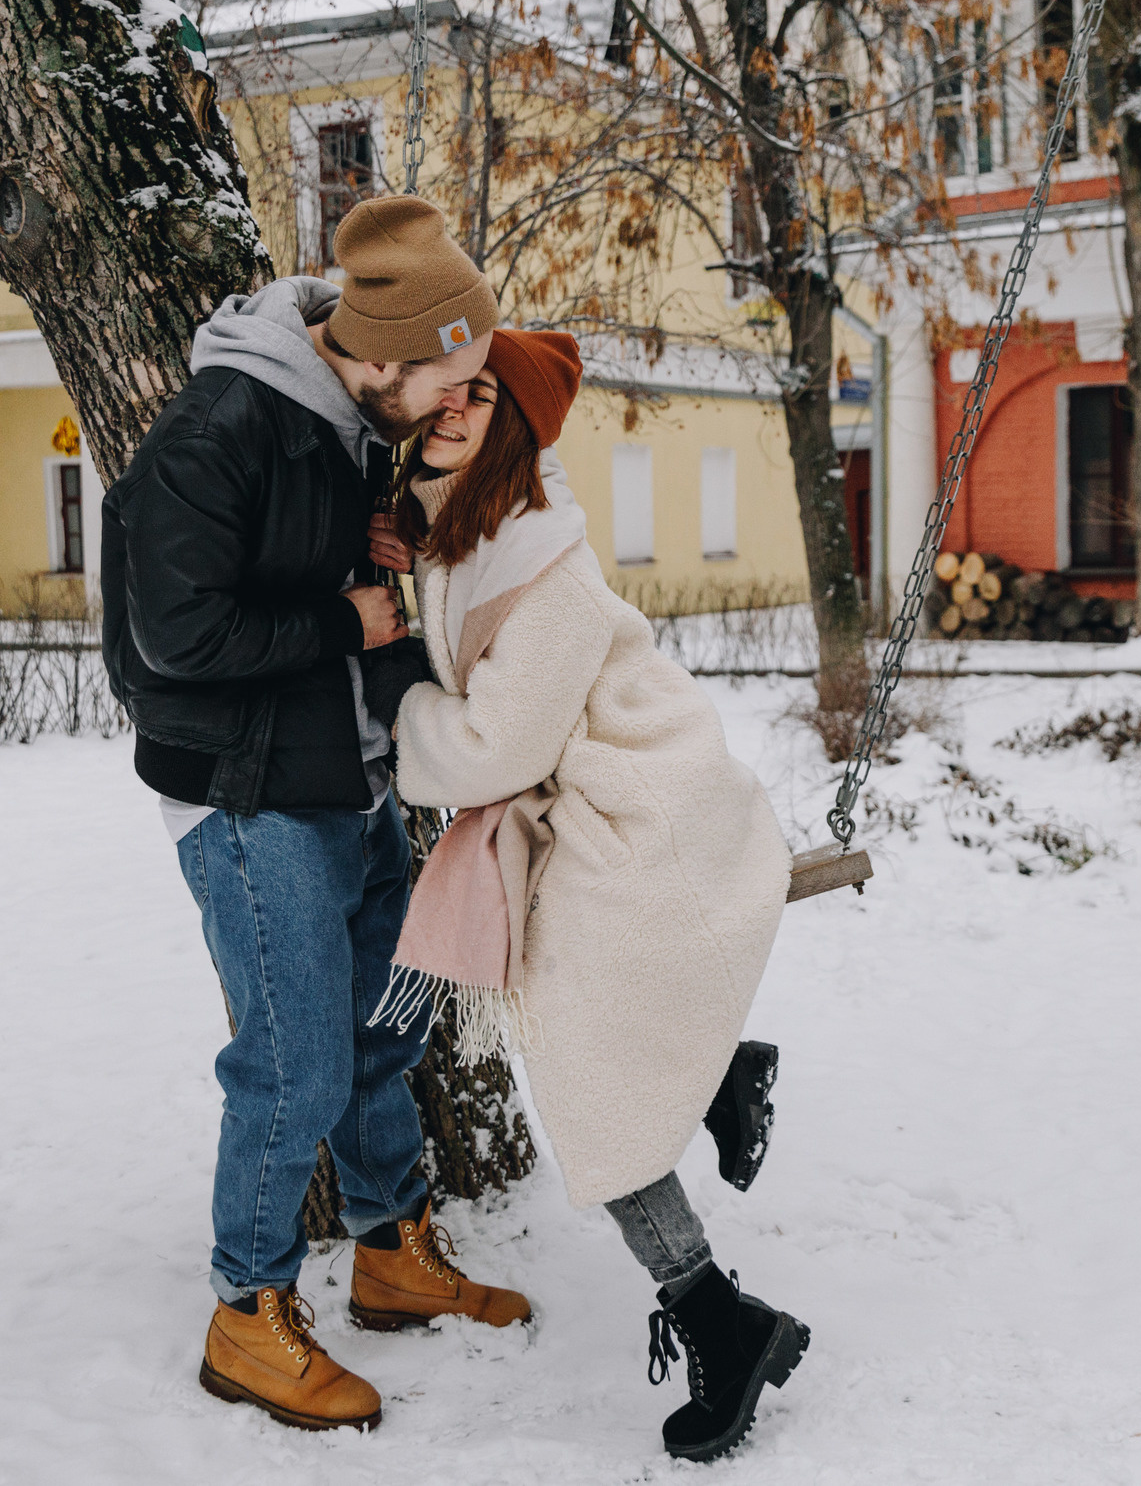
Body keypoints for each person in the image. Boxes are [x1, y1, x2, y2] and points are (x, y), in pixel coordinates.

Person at [99, 196, 531, 1435]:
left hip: (345, 775)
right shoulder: (219, 429)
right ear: (386, 355)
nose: (458, 404)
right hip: (248, 797)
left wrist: (382, 567)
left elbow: (313, 570)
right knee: (293, 1066)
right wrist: (351, 617)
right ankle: (247, 1315)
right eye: (450, 379)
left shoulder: (351, 423)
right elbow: (172, 638)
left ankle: (392, 1252)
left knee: (381, 1032)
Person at [360, 328, 807, 1463]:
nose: (449, 407)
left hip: (637, 814)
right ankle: (721, 1087)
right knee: (595, 1071)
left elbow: (493, 748)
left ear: (512, 425)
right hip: (589, 812)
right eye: (444, 388)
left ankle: (721, 1319)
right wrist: (405, 544)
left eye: (476, 395)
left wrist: (393, 681)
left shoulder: (540, 564)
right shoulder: (466, 523)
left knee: (589, 1090)